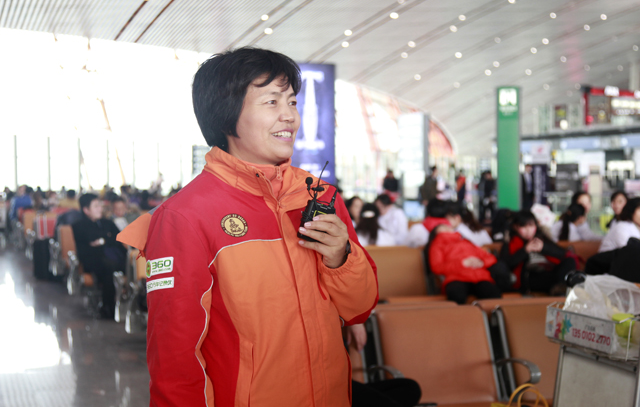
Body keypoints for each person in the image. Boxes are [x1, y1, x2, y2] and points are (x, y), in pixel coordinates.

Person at [117, 47, 378, 407]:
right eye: (271, 102)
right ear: (227, 116)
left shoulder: (319, 196)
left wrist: (341, 258)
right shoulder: (185, 216)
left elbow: (359, 308)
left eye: (292, 102)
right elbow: (175, 360)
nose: (289, 116)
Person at [72, 193, 126, 319]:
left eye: (100, 206)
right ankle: (108, 307)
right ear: (86, 210)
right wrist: (107, 237)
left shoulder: (107, 223)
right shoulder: (78, 226)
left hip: (110, 258)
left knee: (128, 263)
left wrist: (103, 240)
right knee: (109, 267)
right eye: (96, 206)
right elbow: (90, 239)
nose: (100, 209)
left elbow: (119, 238)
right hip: (91, 260)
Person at [499, 210, 576, 295]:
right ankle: (561, 290)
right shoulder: (510, 242)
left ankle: (561, 289)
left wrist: (543, 248)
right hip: (529, 278)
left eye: (531, 225)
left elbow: (562, 253)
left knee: (570, 261)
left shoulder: (541, 238)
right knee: (550, 278)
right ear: (515, 227)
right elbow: (505, 264)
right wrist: (525, 250)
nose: (528, 230)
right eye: (523, 226)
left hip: (550, 271)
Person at [426, 224, 503, 304]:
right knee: (456, 295)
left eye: (448, 227)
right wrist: (462, 264)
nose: (447, 228)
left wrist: (481, 262)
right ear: (436, 233)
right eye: (443, 228)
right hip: (456, 277)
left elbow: (490, 258)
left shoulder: (466, 241)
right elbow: (437, 267)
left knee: (493, 294)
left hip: (479, 276)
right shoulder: (437, 245)